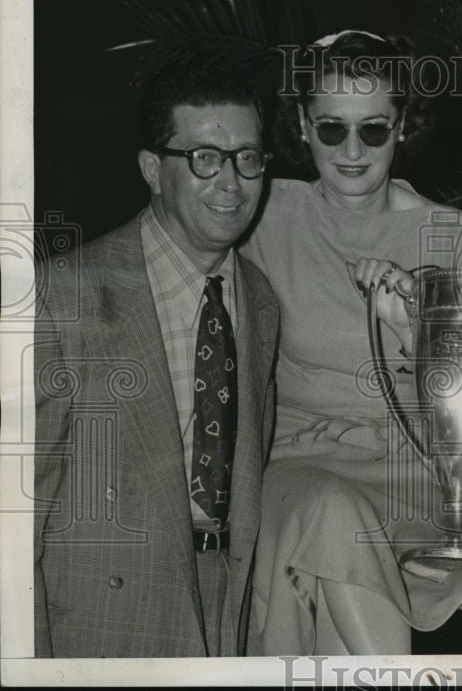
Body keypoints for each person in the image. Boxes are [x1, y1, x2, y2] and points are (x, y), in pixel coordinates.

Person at [241, 30, 462, 655]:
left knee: (331, 565)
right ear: (302, 126)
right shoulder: (263, 214)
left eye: (373, 129)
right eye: (331, 128)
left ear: (402, 126)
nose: (352, 150)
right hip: (297, 471)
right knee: (329, 513)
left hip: (411, 482)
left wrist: (413, 330)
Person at [33, 65, 279, 657]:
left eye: (247, 158)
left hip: (225, 614)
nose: (231, 182)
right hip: (97, 627)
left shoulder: (261, 300)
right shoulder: (62, 296)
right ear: (152, 170)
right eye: (204, 158)